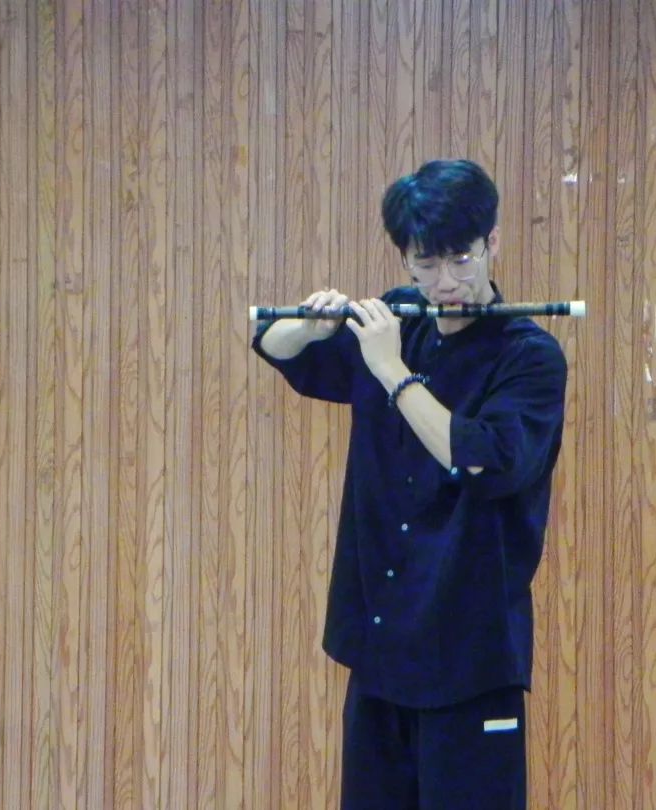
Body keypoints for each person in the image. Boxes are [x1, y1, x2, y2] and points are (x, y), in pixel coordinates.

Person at [252, 159, 568, 809]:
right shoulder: (397, 322)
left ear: (492, 242)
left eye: (461, 259)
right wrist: (309, 327)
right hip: (380, 645)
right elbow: (272, 345)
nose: (445, 281)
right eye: (426, 263)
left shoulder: (529, 356)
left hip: (470, 655)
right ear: (405, 258)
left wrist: (393, 372)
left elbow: (482, 459)